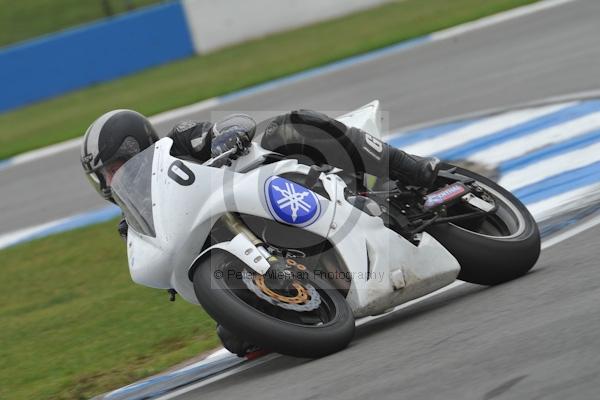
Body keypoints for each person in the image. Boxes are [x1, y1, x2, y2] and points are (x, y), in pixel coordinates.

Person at [80, 108, 439, 355]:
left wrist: (229, 135)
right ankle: (296, 298)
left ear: (135, 146)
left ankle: (409, 168)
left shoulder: (179, 142)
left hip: (273, 185)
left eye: (114, 166)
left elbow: (232, 123)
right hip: (251, 251)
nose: (113, 179)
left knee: (293, 124)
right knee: (234, 339)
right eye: (106, 175)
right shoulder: (136, 221)